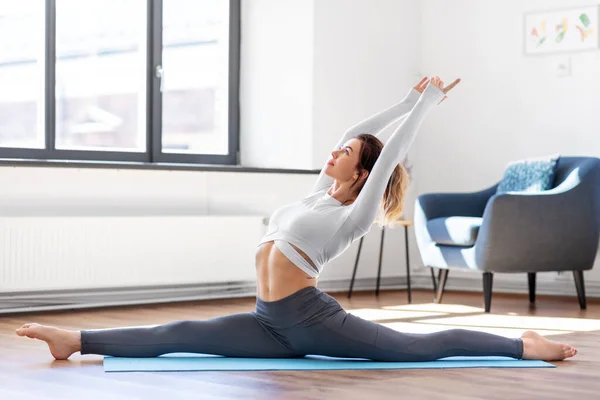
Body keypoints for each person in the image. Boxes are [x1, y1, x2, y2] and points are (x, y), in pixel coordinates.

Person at [16, 77, 577, 362]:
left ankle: (522, 345)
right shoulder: (315, 196)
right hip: (267, 320)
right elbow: (355, 130)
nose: (334, 152)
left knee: (414, 347)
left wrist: (424, 108)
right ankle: (76, 339)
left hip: (311, 319)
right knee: (176, 333)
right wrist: (404, 99)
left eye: (347, 153)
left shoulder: (353, 211)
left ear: (364, 172)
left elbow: (390, 152)